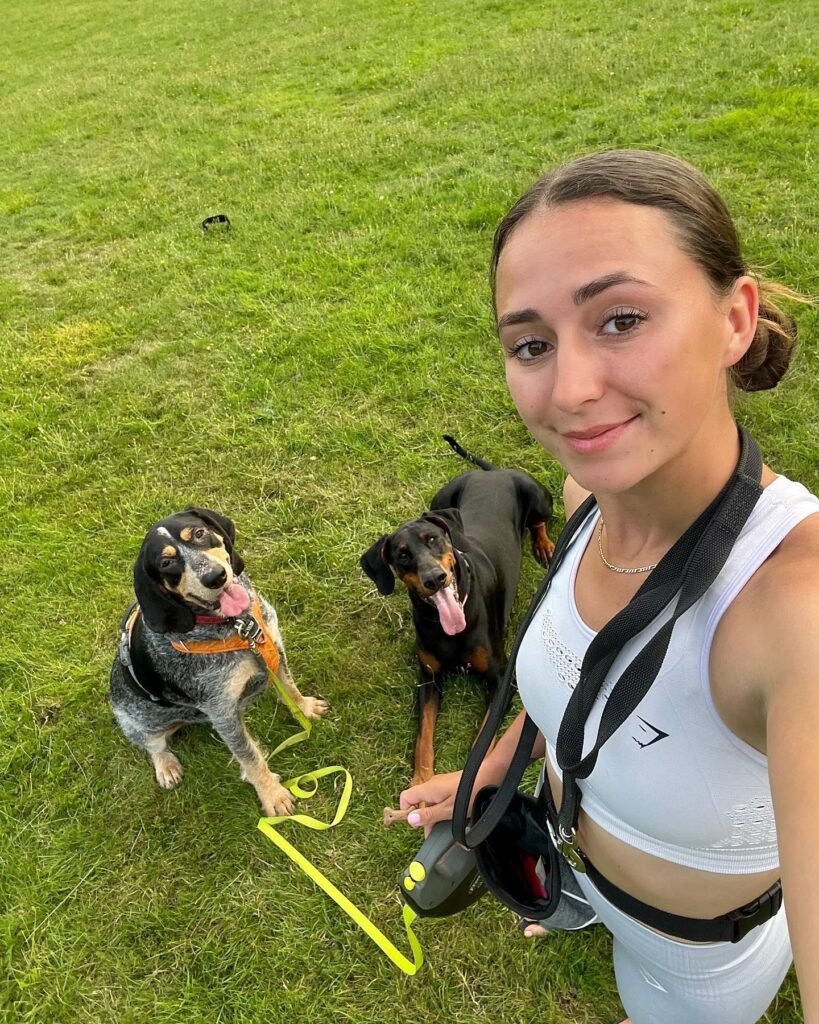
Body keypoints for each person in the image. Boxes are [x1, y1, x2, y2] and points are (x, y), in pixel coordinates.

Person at [398, 150, 819, 1024]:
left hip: (693, 971)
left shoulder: (794, 609)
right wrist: (498, 769)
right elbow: (584, 674)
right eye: (530, 344)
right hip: (581, 875)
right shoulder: (586, 500)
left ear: (734, 319)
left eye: (621, 319)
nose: (570, 389)